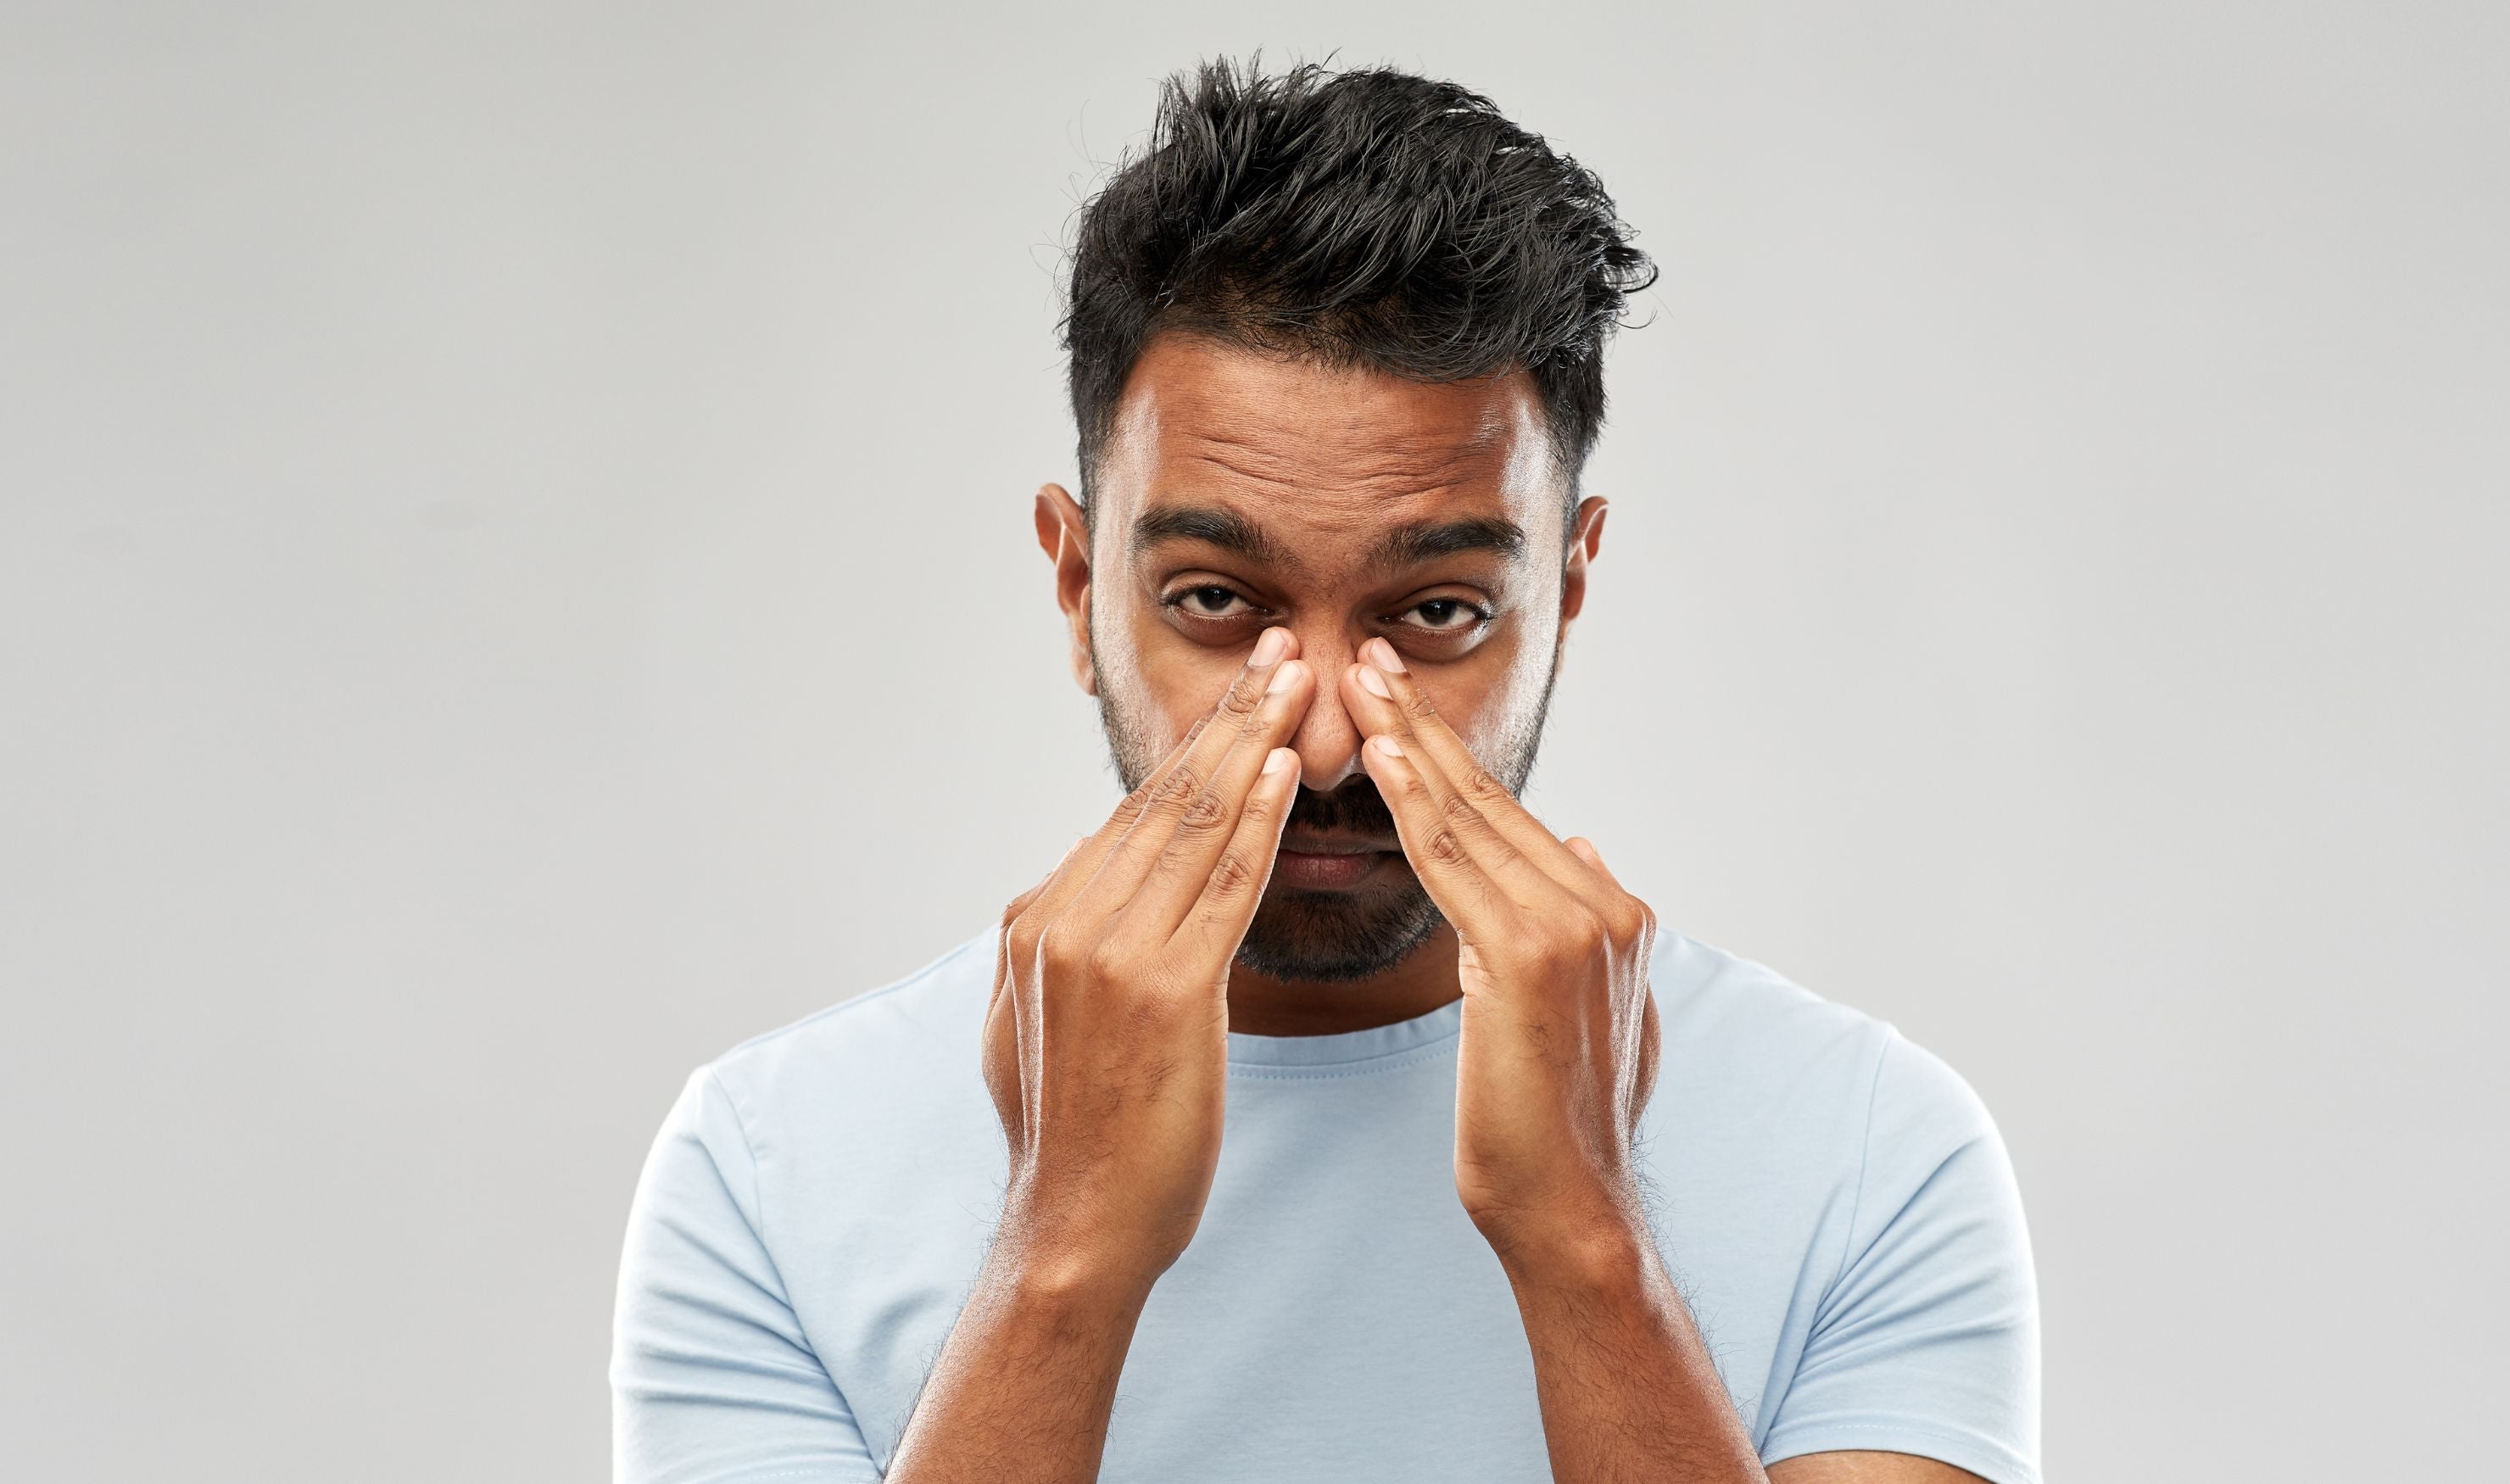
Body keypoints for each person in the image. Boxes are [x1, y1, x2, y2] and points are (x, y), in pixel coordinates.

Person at [610, 58, 2040, 1484]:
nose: (1324, 736)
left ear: (1569, 591)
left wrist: (1586, 1243)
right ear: (1073, 587)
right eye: (1217, 601)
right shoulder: (767, 1166)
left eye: (1434, 615)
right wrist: (1064, 1252)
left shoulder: (1871, 1150)